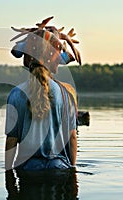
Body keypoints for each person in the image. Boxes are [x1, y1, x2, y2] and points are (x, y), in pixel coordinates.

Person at [5, 17, 81, 171]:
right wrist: (73, 171)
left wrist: (8, 174)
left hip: (28, 169)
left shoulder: (16, 94)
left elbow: (12, 140)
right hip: (59, 168)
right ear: (54, 61)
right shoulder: (67, 94)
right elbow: (72, 138)